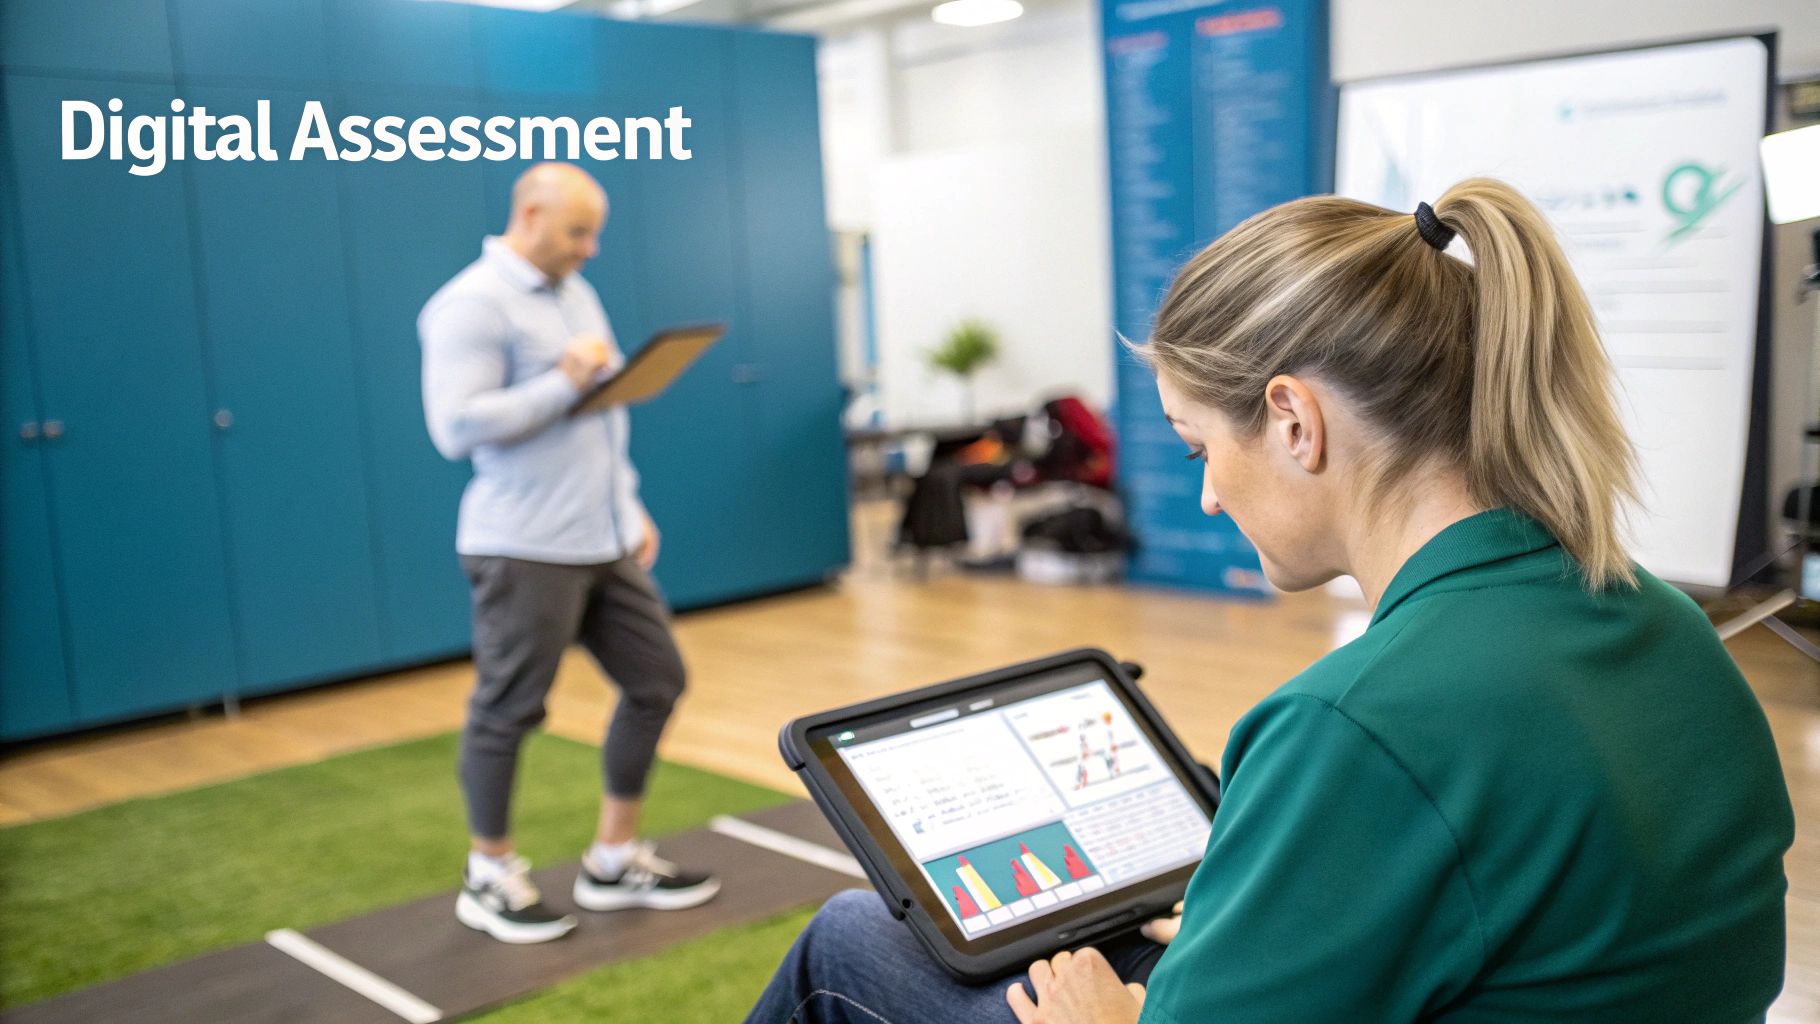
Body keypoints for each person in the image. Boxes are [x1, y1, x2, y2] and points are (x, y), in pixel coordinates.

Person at [742, 178, 1794, 1021]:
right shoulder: (1661, 617)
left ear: (1292, 419)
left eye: (1200, 446)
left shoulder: (1356, 722)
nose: (1203, 492)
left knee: (850, 937)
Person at [419, 162, 718, 945]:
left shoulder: (574, 292)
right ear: (529, 214)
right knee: (509, 708)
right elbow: (455, 427)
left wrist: (629, 503)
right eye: (576, 231)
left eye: (595, 233)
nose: (589, 248)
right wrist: (560, 381)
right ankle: (488, 874)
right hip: (522, 546)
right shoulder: (469, 305)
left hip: (601, 538)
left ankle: (613, 860)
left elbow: (603, 410)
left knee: (657, 681)